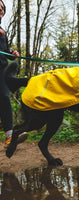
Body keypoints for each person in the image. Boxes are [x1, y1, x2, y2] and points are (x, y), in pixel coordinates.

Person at [0, 0, 28, 148]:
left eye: (2, 8)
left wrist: (12, 53)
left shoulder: (3, 31)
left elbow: (4, 52)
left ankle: (10, 138)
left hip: (2, 70)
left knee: (5, 98)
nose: (1, 9)